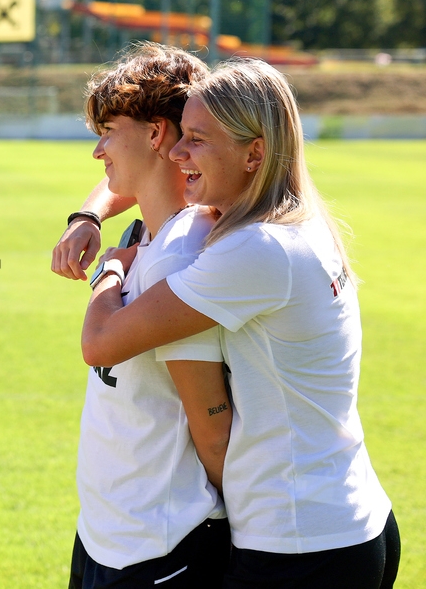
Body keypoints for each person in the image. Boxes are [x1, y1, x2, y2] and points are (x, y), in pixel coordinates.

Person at [78, 58, 400, 588]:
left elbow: (102, 344)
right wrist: (88, 215)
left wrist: (111, 267)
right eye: (180, 135)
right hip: (346, 518)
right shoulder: (290, 222)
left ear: (254, 154)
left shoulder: (252, 249)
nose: (178, 153)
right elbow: (147, 176)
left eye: (197, 140)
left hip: (299, 541)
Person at [66, 43, 232, 589]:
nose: (98, 151)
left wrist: (109, 271)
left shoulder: (180, 258)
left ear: (157, 134)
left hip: (160, 548)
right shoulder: (149, 232)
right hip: (105, 535)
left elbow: (212, 428)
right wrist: (87, 216)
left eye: (108, 131)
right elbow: (130, 185)